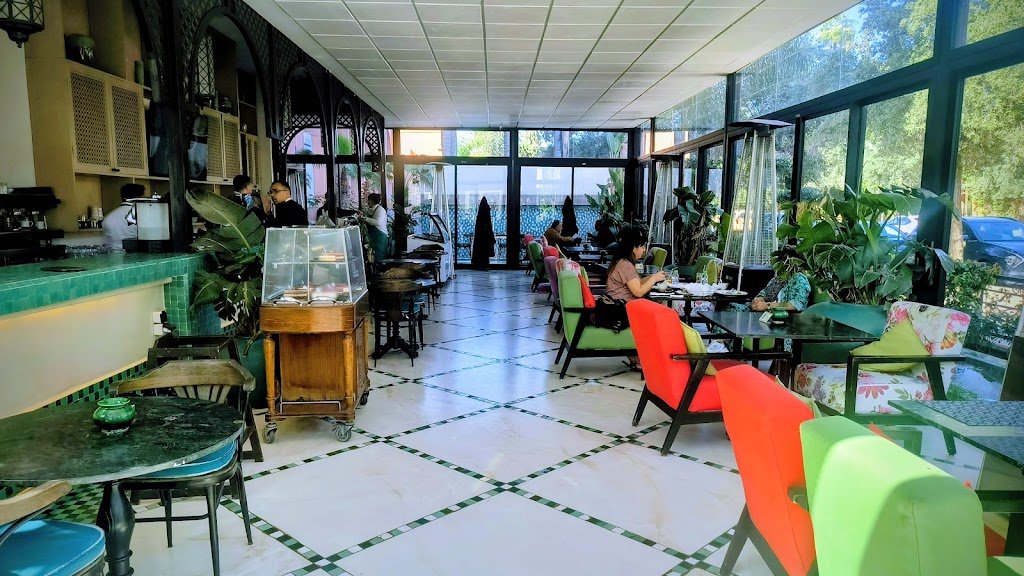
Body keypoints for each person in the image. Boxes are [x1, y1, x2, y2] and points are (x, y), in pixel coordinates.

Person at [605, 227, 666, 302]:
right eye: (642, 246)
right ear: (634, 248)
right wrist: (654, 278)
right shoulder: (625, 265)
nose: (644, 250)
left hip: (623, 304)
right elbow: (638, 292)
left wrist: (652, 277)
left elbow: (637, 282)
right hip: (625, 306)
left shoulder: (622, 262)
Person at [730, 269, 812, 312]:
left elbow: (796, 305)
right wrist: (759, 298)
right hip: (761, 312)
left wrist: (767, 306)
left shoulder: (799, 278)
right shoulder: (778, 278)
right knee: (730, 308)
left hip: (780, 317)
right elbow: (764, 292)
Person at [103, 183, 145, 250]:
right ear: (139, 197)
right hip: (138, 254)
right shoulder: (143, 215)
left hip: (114, 255)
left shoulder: (108, 218)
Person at [360, 193, 389, 261]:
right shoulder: (373, 209)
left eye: (368, 200)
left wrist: (365, 219)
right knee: (372, 258)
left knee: (379, 258)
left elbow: (378, 222)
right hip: (374, 239)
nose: (367, 202)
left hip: (380, 238)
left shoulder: (380, 210)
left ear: (372, 201)